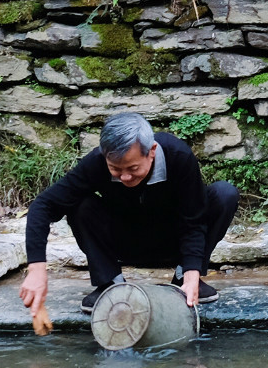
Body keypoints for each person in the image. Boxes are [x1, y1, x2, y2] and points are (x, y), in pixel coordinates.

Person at [18, 112, 238, 315]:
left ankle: (183, 278)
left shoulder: (178, 156)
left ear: (151, 151)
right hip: (124, 242)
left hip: (174, 241)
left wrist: (192, 273)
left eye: (133, 169)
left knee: (224, 194)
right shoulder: (96, 162)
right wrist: (37, 269)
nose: (124, 177)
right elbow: (44, 205)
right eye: (115, 169)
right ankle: (110, 283)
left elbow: (193, 219)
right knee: (80, 204)